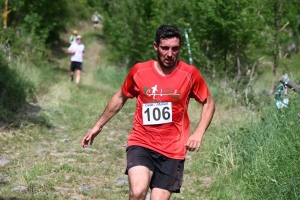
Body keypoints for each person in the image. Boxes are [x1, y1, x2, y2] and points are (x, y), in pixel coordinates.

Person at [81, 24, 215, 200]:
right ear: (155, 47)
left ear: (180, 48)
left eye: (175, 49)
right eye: (165, 48)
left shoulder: (189, 73)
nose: (169, 53)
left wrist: (199, 133)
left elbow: (209, 102)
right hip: (141, 142)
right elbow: (121, 98)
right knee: (138, 192)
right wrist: (98, 125)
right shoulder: (140, 71)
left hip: (173, 149)